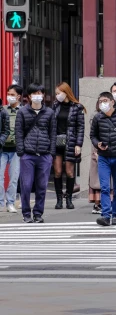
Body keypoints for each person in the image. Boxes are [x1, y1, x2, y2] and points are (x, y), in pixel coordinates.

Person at [16, 84, 56, 223]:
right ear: (29, 96)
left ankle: (38, 213)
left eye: (40, 93)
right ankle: (26, 213)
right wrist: (21, 151)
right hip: (28, 155)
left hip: (44, 155)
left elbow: (53, 133)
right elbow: (19, 132)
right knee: (26, 185)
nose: (37, 95)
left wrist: (51, 153)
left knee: (42, 186)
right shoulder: (22, 112)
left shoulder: (50, 112)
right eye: (34, 93)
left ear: (43, 95)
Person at [90, 91, 116, 226]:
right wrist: (98, 144)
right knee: (105, 187)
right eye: (100, 101)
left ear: (112, 102)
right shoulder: (97, 118)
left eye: (105, 101)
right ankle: (106, 215)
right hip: (103, 158)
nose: (102, 104)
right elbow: (93, 136)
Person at [52, 82, 86, 210]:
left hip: (71, 142)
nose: (57, 96)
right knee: (58, 171)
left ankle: (69, 198)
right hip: (56, 142)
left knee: (70, 172)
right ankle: (59, 198)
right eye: (56, 94)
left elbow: (80, 127)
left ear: (66, 92)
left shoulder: (77, 107)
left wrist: (78, 144)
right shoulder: (55, 106)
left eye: (59, 93)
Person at [0, 85, 22, 213]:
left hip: (16, 150)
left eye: (12, 94)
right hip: (2, 149)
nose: (9, 96)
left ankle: (11, 202)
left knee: (13, 178)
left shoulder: (24, 111)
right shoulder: (3, 110)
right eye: (8, 94)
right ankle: (1, 203)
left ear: (18, 96)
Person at [88, 99, 102, 214]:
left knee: (104, 179)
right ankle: (97, 203)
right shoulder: (95, 117)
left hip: (108, 151)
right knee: (96, 179)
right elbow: (93, 136)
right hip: (97, 150)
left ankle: (103, 203)